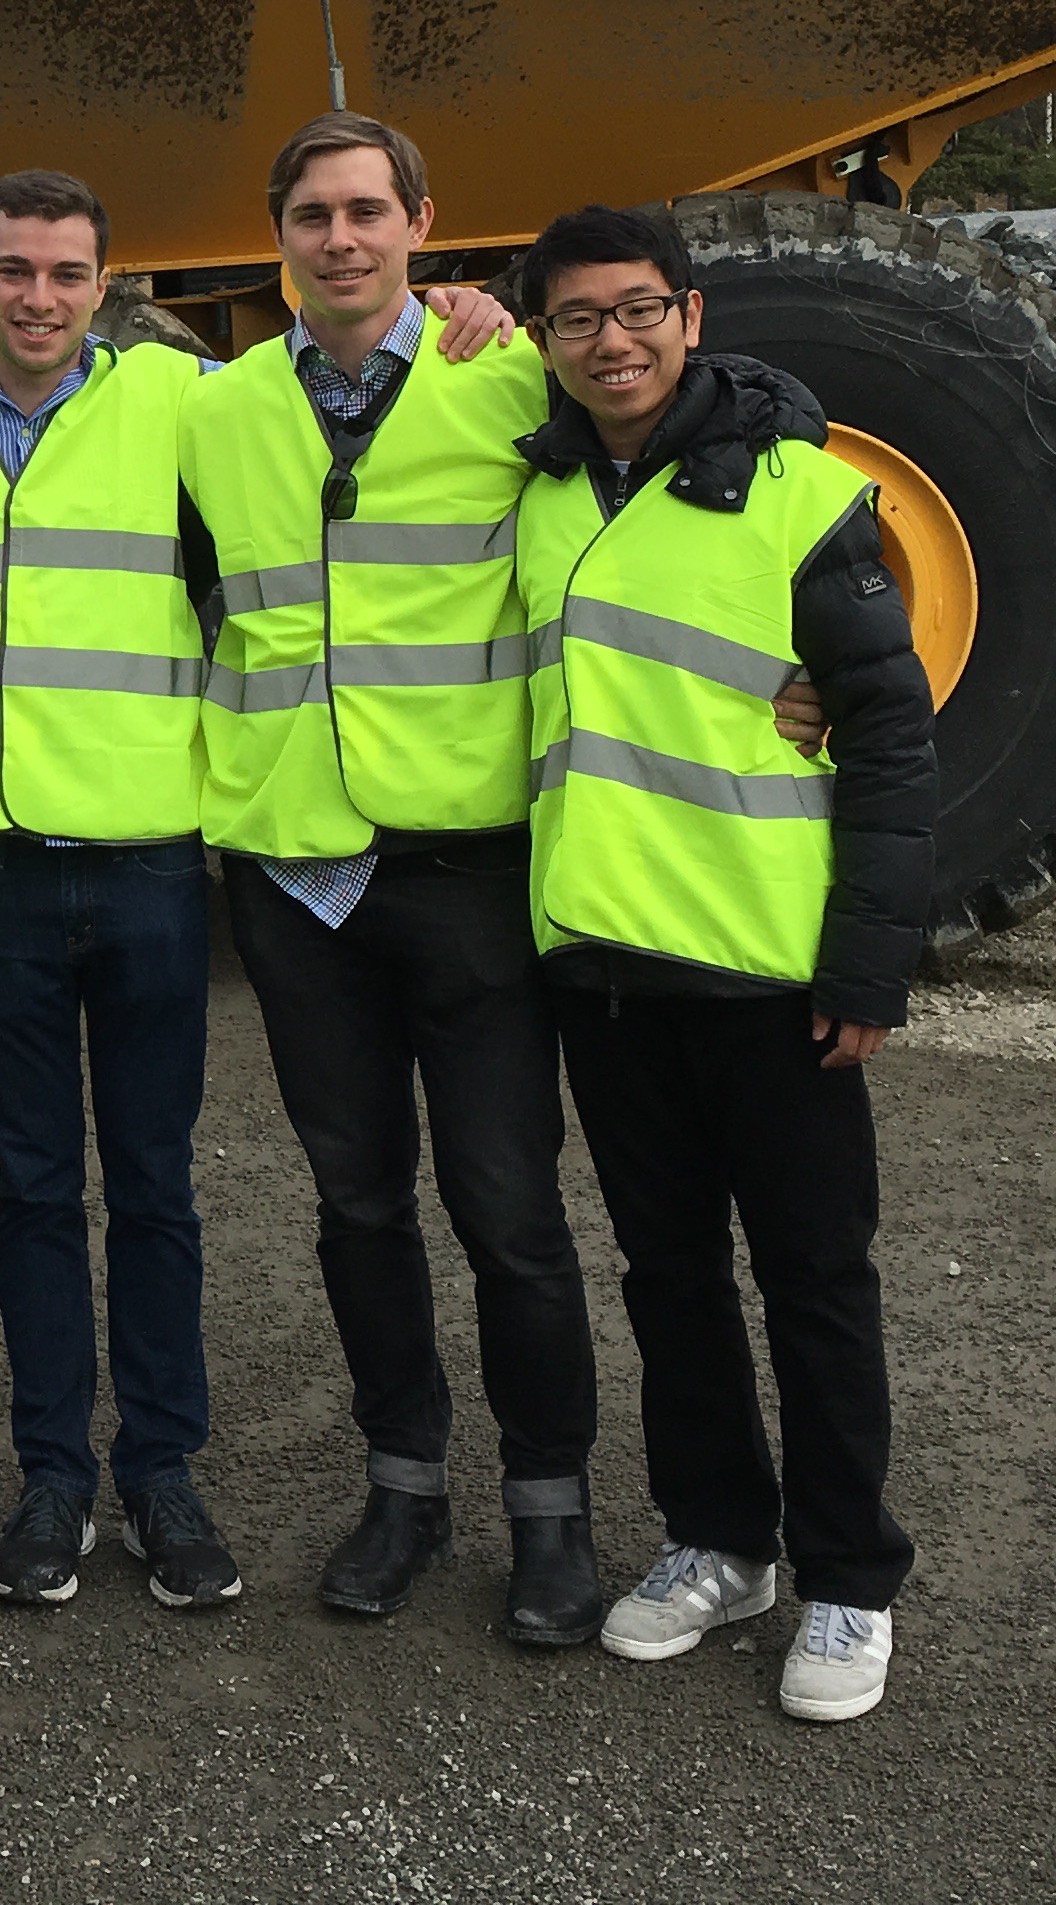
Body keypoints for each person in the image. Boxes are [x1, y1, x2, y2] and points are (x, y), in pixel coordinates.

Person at [182, 112, 636, 1646]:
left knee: (508, 1207)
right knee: (355, 1201)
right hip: (295, 878)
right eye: (312, 216)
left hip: (465, 869)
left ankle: (552, 1514)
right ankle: (404, 1490)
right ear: (279, 240)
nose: (341, 240)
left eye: (368, 212)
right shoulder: (215, 408)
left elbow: (696, 416)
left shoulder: (508, 380)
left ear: (423, 227)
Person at [511, 203, 936, 1725]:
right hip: (610, 972)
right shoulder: (542, 494)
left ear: (691, 316)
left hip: (771, 973)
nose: (611, 343)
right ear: (547, 341)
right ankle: (718, 1541)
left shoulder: (806, 501)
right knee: (670, 1278)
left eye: (637, 311)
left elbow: (888, 738)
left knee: (817, 1282)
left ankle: (846, 1579)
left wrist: (870, 965)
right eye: (576, 320)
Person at [0, 170, 236, 1611]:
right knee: (32, 1189)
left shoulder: (179, 400)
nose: (39, 300)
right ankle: (53, 1480)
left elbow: (347, 416)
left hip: (147, 849)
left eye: (67, 275)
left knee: (154, 1186)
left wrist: (464, 310)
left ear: (107, 284)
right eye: (14, 271)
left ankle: (161, 1473)